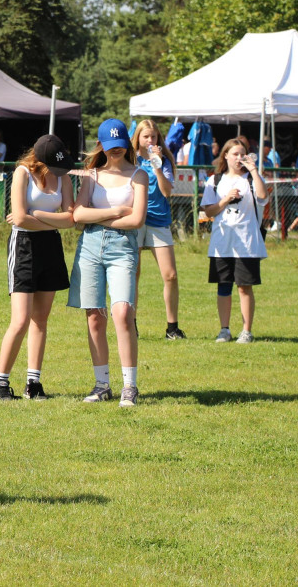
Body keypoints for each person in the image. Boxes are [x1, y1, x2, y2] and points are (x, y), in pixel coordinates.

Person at [0, 135, 75, 401]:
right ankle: (0, 385)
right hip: (23, 246)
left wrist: (38, 217)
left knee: (41, 320)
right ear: (40, 159)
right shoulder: (22, 173)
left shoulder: (64, 178)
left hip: (51, 247)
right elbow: (18, 218)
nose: (57, 171)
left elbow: (70, 219)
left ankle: (33, 384)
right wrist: (50, 220)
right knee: (21, 320)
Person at [68, 119, 149, 407]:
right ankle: (102, 384)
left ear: (127, 143)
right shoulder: (91, 175)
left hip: (123, 248)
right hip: (90, 246)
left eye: (120, 146)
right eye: (110, 147)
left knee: (123, 312)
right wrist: (116, 211)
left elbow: (137, 220)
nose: (116, 151)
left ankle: (130, 386)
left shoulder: (139, 176)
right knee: (94, 316)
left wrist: (97, 214)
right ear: (101, 145)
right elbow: (77, 214)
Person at [201, 138, 268, 343]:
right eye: (235, 154)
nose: (239, 158)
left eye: (242, 154)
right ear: (226, 156)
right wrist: (225, 199)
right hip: (222, 243)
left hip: (247, 243)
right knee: (223, 286)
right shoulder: (215, 180)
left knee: (244, 287)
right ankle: (224, 329)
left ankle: (246, 331)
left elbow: (263, 196)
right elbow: (208, 211)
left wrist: (255, 171)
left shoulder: (251, 179)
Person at [131, 120, 186, 340]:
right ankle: (131, 324)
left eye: (153, 137)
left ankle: (172, 327)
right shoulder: (130, 158)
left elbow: (166, 192)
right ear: (138, 138)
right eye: (146, 137)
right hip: (135, 219)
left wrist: (157, 166)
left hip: (158, 220)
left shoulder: (164, 161)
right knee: (133, 274)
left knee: (170, 275)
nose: (150, 141)